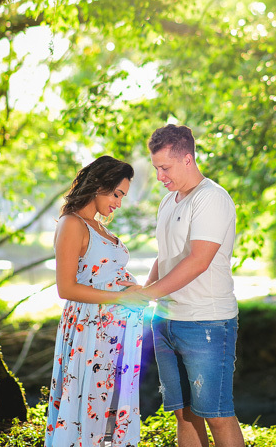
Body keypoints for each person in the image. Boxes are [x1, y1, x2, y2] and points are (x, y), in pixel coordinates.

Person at [141, 124, 245, 447]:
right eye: (156, 168)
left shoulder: (212, 199)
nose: (159, 176)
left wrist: (147, 294)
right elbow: (167, 256)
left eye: (164, 168)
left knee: (216, 413)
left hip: (206, 323)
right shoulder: (168, 202)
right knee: (183, 413)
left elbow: (198, 260)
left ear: (187, 160)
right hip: (167, 321)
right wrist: (145, 293)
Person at [44, 155, 148, 447]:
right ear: (99, 184)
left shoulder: (100, 227)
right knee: (85, 401)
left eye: (123, 196)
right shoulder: (72, 223)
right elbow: (66, 288)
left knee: (107, 403)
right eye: (116, 194)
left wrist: (133, 291)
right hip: (87, 328)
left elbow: (106, 275)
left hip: (114, 330)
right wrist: (120, 297)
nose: (118, 203)